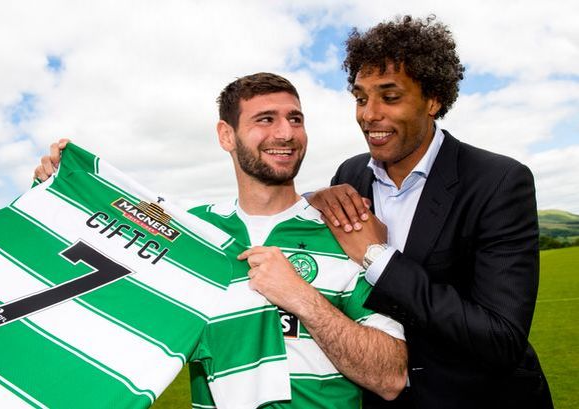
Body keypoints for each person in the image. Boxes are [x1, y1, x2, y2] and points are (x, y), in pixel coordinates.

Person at [34, 73, 408, 408]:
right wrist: (58, 200)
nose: (285, 133)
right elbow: (96, 292)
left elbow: (390, 377)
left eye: (295, 119)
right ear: (226, 135)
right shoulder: (190, 233)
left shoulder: (344, 229)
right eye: (265, 119)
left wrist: (301, 298)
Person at [307, 15, 553, 409]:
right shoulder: (350, 174)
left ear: (433, 100)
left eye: (389, 97)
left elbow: (501, 337)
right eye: (360, 97)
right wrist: (313, 200)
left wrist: (377, 258)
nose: (369, 114)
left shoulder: (499, 181)